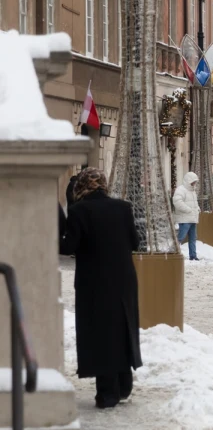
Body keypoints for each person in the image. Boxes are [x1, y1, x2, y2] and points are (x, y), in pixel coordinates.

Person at [58, 168, 142, 409]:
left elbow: (68, 247)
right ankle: (124, 386)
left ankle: (107, 394)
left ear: (82, 186)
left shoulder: (79, 210)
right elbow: (135, 242)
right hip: (124, 279)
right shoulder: (122, 208)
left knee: (101, 333)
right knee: (121, 328)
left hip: (94, 281)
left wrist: (60, 223)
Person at [172, 171, 200, 261]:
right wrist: (188, 209)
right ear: (188, 180)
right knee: (181, 237)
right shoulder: (181, 190)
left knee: (193, 238)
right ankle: (173, 252)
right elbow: (177, 202)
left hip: (192, 218)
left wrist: (197, 208)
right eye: (193, 181)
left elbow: (194, 203)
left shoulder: (192, 191)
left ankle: (193, 256)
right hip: (184, 219)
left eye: (195, 182)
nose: (194, 183)